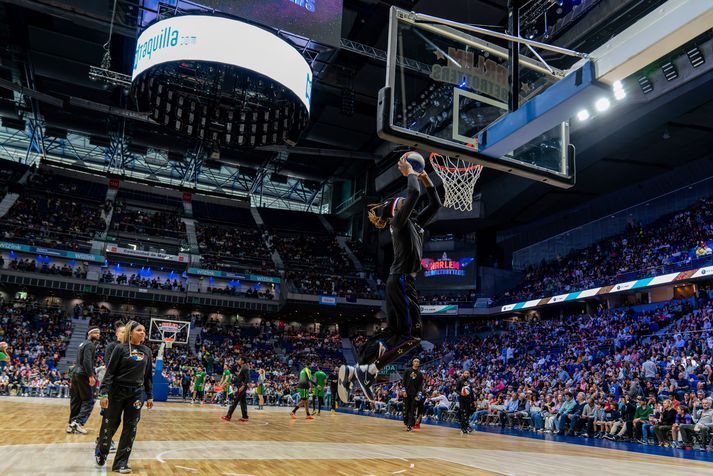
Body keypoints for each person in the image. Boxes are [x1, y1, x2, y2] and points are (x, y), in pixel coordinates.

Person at [339, 158, 441, 402]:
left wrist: (425, 176)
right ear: (398, 208)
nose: (409, 202)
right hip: (403, 281)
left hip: (400, 281)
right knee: (412, 335)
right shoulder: (400, 221)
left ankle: (359, 369)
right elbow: (414, 192)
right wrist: (409, 172)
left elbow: (435, 203)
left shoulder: (414, 222)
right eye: (404, 203)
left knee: (396, 333)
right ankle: (370, 371)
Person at [95, 320, 153, 473]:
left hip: (136, 394)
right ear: (131, 332)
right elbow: (110, 372)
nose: (143, 333)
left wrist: (150, 395)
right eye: (139, 330)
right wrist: (104, 393)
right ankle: (102, 449)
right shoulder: (120, 349)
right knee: (110, 425)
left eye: (144, 331)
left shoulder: (147, 351)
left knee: (131, 428)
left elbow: (147, 375)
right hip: (116, 392)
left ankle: (120, 462)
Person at [95, 321, 125, 451]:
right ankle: (102, 440)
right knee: (109, 416)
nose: (125, 334)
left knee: (117, 419)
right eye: (122, 332)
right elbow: (109, 367)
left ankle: (105, 438)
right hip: (112, 385)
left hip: (123, 388)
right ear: (117, 334)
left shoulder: (130, 348)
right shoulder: (112, 346)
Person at [68, 327, 100, 435]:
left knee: (76, 400)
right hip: (83, 374)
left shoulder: (82, 344)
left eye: (99, 333)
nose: (98, 334)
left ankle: (72, 423)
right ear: (90, 333)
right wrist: (91, 375)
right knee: (89, 400)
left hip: (76, 373)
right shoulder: (90, 345)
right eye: (95, 333)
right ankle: (78, 422)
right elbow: (87, 360)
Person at [222, 356, 249, 422]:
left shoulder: (245, 367)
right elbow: (238, 378)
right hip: (242, 386)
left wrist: (243, 386)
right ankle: (245, 417)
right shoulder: (242, 367)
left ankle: (228, 416)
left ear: (242, 361)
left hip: (242, 387)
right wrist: (230, 383)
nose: (238, 361)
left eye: (239, 360)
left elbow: (247, 378)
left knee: (235, 401)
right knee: (243, 401)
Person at [402, 358, 423, 432]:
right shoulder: (407, 371)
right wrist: (404, 391)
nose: (417, 363)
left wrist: (419, 395)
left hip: (414, 395)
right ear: (412, 362)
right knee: (406, 409)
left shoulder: (420, 374)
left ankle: (410, 425)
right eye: (415, 361)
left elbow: (420, 386)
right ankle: (407, 422)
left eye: (418, 362)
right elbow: (403, 382)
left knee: (412, 410)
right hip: (406, 394)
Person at [457, 370, 474, 434]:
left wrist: (473, 401)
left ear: (469, 374)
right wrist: (461, 393)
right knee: (463, 413)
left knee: (467, 414)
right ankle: (465, 427)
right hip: (462, 399)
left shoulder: (470, 382)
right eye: (465, 373)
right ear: (463, 374)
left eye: (468, 373)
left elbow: (471, 392)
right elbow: (456, 389)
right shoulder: (460, 381)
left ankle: (465, 427)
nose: (466, 374)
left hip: (468, 400)